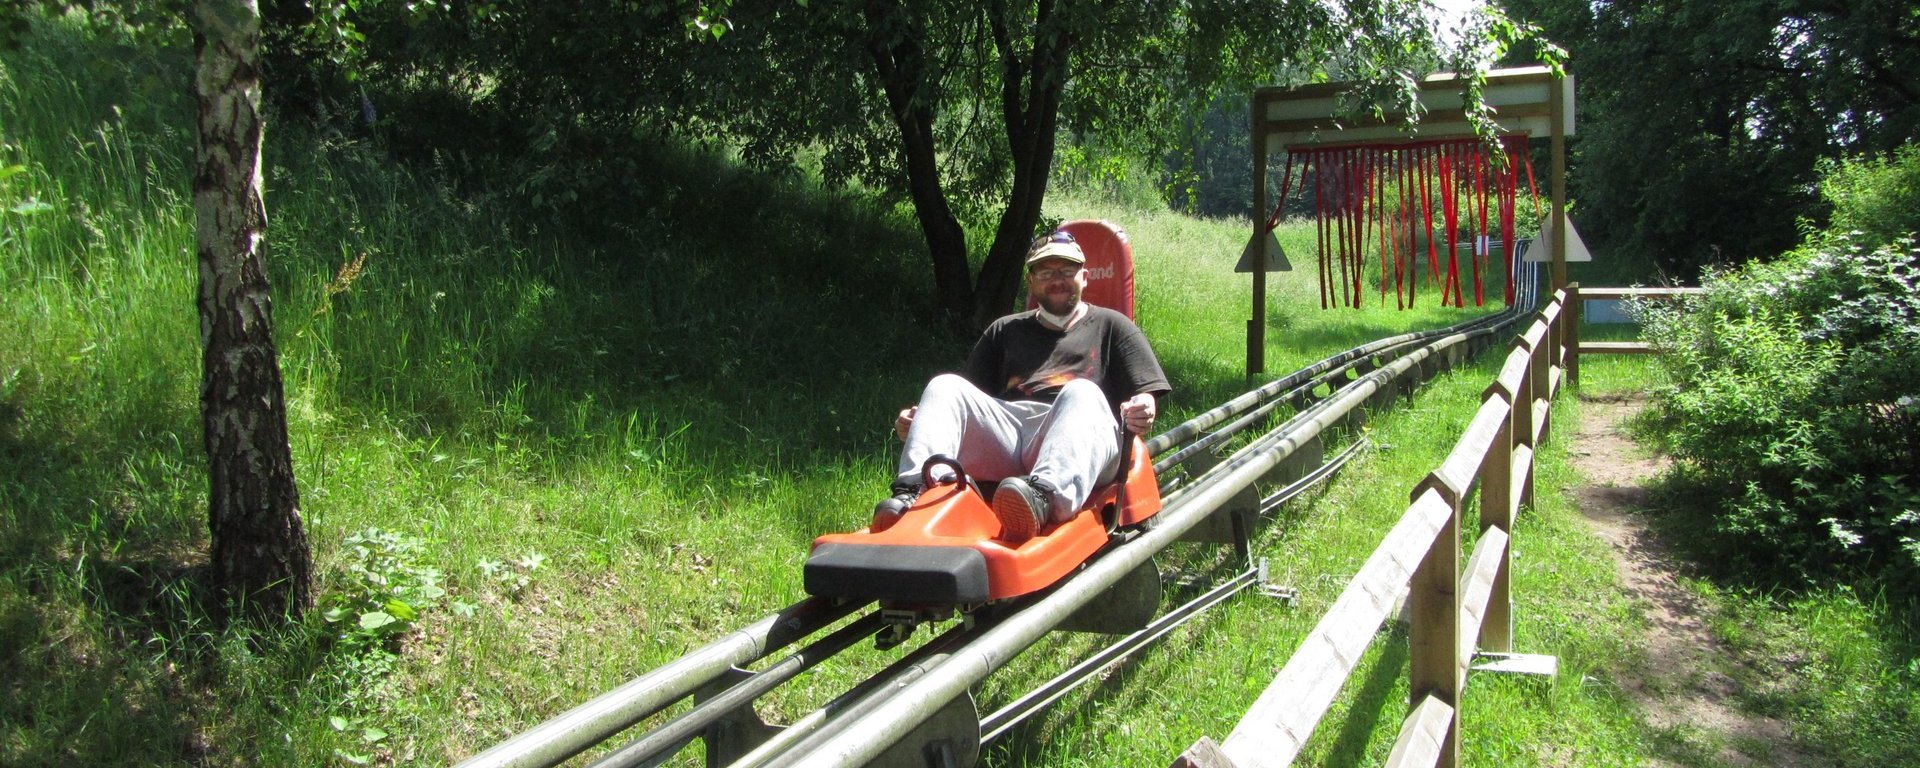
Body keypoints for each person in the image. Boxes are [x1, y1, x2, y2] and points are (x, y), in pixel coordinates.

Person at [878, 229, 1171, 543]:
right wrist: (924, 420)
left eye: (1066, 270)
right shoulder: (1004, 330)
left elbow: (1146, 392)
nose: (1056, 279)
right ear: (1031, 281)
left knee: (1080, 391)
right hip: (1013, 433)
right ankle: (915, 494)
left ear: (1084, 277)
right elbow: (967, 404)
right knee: (944, 386)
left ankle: (1042, 500)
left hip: (1082, 437)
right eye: (1046, 272)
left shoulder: (1112, 326)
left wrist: (1144, 406)